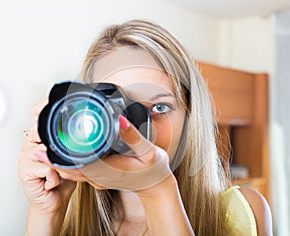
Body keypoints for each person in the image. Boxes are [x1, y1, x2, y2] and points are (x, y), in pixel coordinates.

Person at [18, 19, 272, 236]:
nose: (134, 129)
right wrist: (46, 214)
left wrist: (158, 190)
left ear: (190, 118)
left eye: (160, 107)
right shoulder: (65, 221)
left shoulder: (242, 213)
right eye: (115, 107)